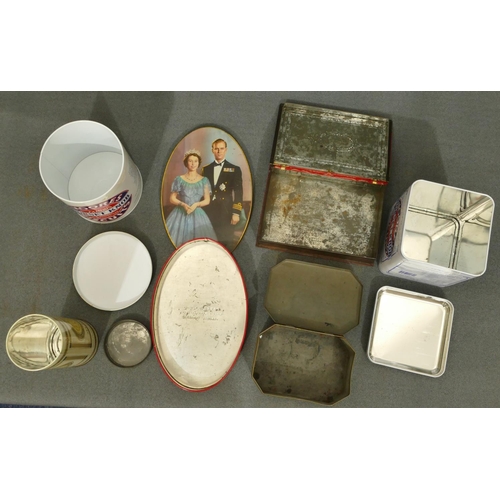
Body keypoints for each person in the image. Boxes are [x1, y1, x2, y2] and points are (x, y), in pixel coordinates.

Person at [166, 150, 217, 247]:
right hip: (180, 213)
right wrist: (183, 204)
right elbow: (172, 198)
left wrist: (196, 204)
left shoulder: (204, 180)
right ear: (186, 163)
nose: (193, 164)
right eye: (190, 161)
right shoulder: (179, 179)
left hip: (198, 213)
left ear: (199, 163)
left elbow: (207, 200)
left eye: (195, 161)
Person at [202, 138, 244, 248]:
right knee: (208, 242)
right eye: (216, 149)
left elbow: (238, 192)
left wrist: (236, 213)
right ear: (212, 150)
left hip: (226, 211)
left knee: (225, 243)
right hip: (209, 210)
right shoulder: (206, 169)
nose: (219, 151)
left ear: (226, 150)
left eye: (221, 148)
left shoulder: (234, 169)